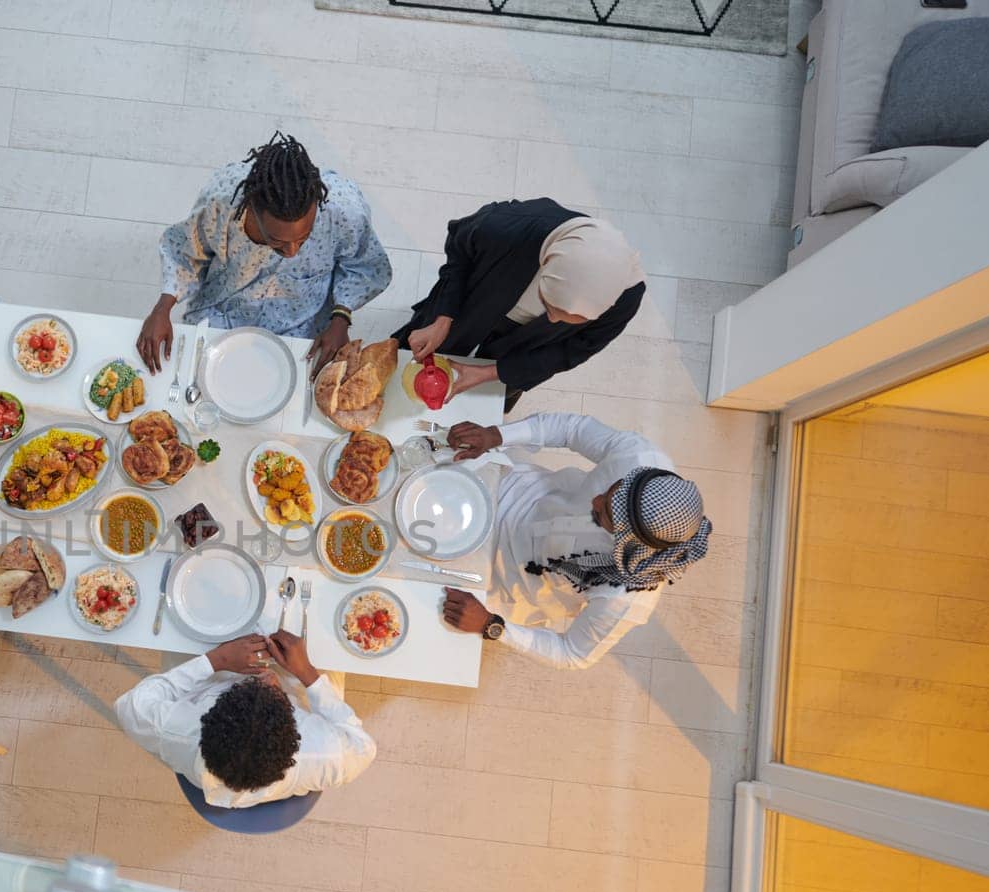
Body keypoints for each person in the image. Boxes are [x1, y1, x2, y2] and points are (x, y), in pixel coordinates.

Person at [437, 413, 712, 670]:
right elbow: (573, 428)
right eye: (608, 491)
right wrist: (498, 435)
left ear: (627, 544)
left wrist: (491, 625)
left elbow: (573, 653)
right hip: (511, 487)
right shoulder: (640, 457)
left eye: (602, 514)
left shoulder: (627, 596)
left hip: (500, 585)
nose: (595, 500)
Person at [138, 131, 393, 375]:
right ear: (251, 209)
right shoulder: (222, 203)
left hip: (304, 328)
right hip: (222, 315)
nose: (292, 252)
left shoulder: (344, 211)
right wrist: (161, 310)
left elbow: (366, 267)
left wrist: (341, 318)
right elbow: (185, 252)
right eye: (277, 241)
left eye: (303, 239)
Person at [396, 198, 646, 412]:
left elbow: (568, 352)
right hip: (475, 303)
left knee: (481, 405)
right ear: (548, 264)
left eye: (569, 321)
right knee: (409, 361)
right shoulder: (508, 226)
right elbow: (459, 252)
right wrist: (443, 319)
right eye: (548, 305)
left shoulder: (625, 299)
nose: (553, 321)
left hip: (525, 347)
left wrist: (490, 373)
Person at [114, 630, 375, 808]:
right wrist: (305, 672)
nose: (267, 678)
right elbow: (363, 746)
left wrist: (217, 660)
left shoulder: (179, 732)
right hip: (295, 678)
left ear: (206, 722)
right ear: (296, 735)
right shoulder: (320, 754)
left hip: (216, 671)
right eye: (276, 694)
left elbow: (130, 706)